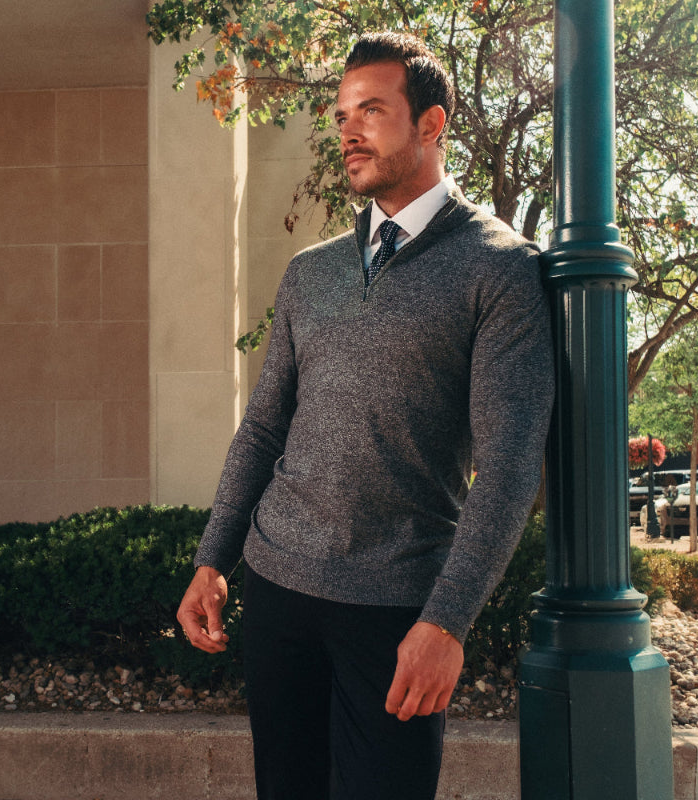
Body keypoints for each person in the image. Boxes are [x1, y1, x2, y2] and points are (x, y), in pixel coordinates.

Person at [176, 31, 554, 800]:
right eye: (342, 113)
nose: (348, 129)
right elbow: (263, 428)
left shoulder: (501, 270)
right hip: (278, 592)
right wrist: (213, 558)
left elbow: (510, 467)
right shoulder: (309, 273)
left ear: (431, 124)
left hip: (395, 612)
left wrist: (447, 622)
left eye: (372, 110)